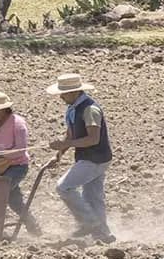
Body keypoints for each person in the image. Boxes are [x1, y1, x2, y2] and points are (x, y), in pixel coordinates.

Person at [46, 73, 115, 244]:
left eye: (64, 93)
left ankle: (89, 222)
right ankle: (103, 235)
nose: (61, 96)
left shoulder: (90, 110)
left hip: (94, 158)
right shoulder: (73, 109)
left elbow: (93, 139)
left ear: (75, 92)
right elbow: (70, 135)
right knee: (93, 197)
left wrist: (63, 145)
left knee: (64, 187)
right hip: (93, 157)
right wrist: (59, 155)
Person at [0, 91, 42, 240]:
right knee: (14, 201)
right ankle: (33, 227)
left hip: (17, 167)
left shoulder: (17, 124)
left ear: (4, 109)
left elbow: (20, 150)